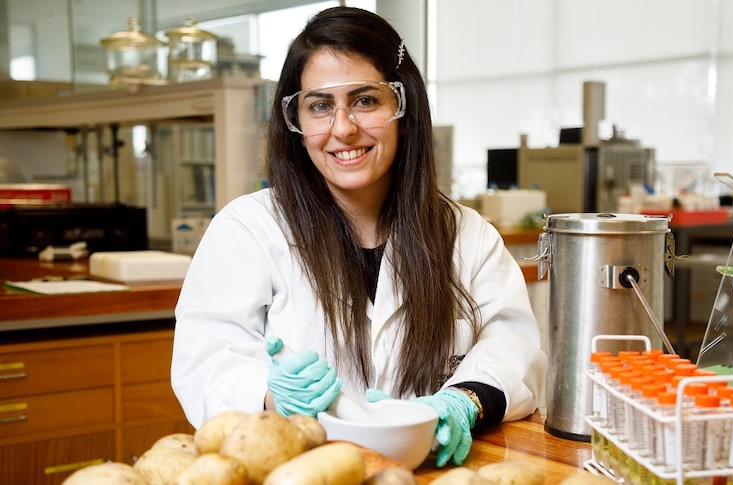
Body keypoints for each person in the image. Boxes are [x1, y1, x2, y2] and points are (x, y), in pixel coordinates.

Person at [171, 6, 547, 467]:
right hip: (301, 471)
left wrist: (464, 400)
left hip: (432, 472)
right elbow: (204, 361)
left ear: (403, 109)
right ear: (297, 125)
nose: (343, 128)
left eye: (366, 100)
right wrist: (269, 396)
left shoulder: (467, 236)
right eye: (320, 106)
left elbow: (514, 347)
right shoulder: (247, 230)